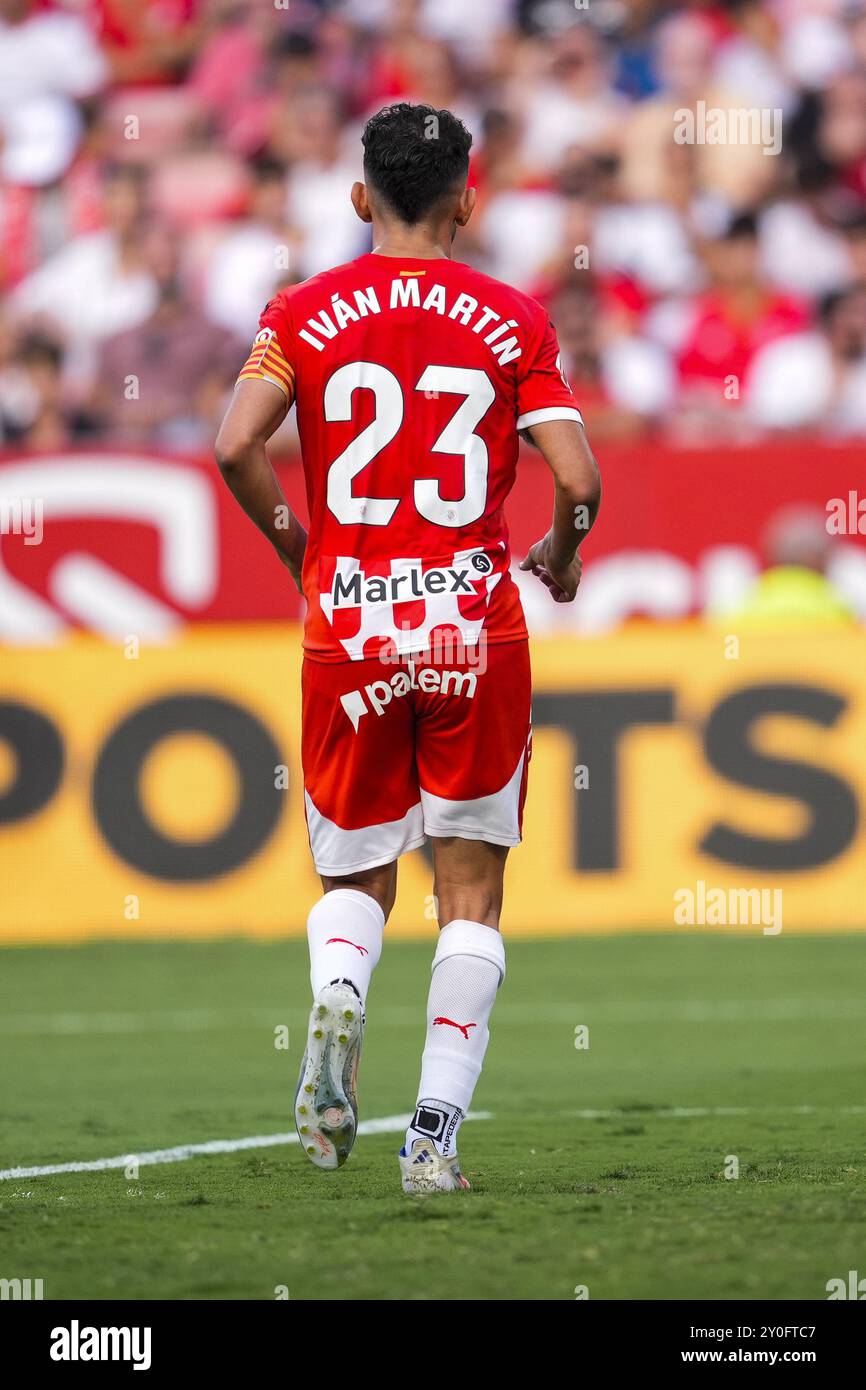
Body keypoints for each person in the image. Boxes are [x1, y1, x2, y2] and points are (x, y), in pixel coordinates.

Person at [214, 102, 600, 1194]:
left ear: (356, 197)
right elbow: (578, 480)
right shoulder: (511, 317)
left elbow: (234, 443)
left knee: (352, 878)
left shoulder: (302, 310)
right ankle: (430, 1138)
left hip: (350, 622)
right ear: (467, 201)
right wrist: (562, 557)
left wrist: (301, 548)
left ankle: (338, 992)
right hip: (470, 625)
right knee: (468, 895)